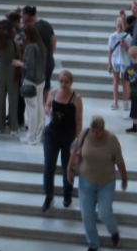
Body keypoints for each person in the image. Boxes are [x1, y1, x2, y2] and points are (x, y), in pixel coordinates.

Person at [67, 115, 127, 250]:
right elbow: (75, 152)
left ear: (103, 129)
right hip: (86, 181)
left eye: (98, 132)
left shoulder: (112, 140)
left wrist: (124, 178)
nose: (95, 134)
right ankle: (93, 244)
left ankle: (114, 231)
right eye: (93, 131)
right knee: (87, 216)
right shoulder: (85, 134)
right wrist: (69, 169)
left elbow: (120, 162)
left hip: (106, 183)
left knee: (104, 213)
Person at [42, 70, 83, 211]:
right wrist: (47, 109)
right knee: (49, 165)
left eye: (66, 82)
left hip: (68, 136)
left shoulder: (76, 98)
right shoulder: (53, 93)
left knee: (68, 166)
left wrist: (77, 140)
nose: (63, 84)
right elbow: (47, 104)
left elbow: (79, 120)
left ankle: (67, 194)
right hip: (51, 134)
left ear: (71, 82)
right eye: (61, 81)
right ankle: (49, 196)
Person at [17, 23, 47, 144]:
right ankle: (39, 135)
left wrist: (19, 64)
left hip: (30, 80)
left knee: (31, 109)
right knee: (39, 107)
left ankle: (31, 136)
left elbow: (29, 66)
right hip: (41, 80)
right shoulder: (41, 46)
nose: (23, 37)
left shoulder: (30, 47)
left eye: (24, 34)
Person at [0, 19, 19, 134]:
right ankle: (14, 127)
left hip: (0, 69)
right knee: (13, 100)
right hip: (12, 69)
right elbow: (18, 55)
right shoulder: (14, 42)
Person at [22, 4, 57, 92]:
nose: (21, 19)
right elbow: (53, 39)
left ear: (26, 16)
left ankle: (42, 105)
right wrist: (51, 54)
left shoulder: (32, 28)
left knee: (39, 90)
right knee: (47, 86)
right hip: (49, 60)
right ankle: (45, 105)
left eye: (21, 16)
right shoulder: (46, 24)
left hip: (39, 64)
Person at [107, 17, 131, 112]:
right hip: (115, 61)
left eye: (121, 26)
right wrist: (109, 64)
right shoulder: (112, 36)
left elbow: (130, 51)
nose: (119, 28)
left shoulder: (128, 37)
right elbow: (110, 51)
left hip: (125, 62)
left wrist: (124, 44)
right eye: (118, 26)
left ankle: (126, 102)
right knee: (115, 81)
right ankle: (115, 101)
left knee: (125, 82)